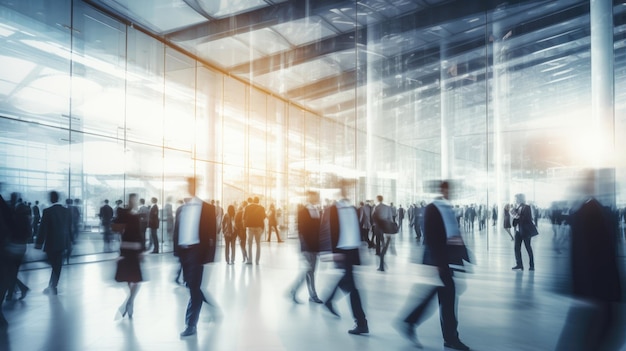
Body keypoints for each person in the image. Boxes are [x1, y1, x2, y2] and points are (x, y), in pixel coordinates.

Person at [395, 180, 470, 351]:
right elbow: (430, 236)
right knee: (447, 296)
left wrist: (461, 256)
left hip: (448, 259)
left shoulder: (447, 207)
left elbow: (453, 233)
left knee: (441, 295)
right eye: (450, 189)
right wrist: (437, 261)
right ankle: (450, 337)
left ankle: (411, 322)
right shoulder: (432, 208)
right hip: (440, 261)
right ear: (443, 190)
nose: (452, 192)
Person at [555, 169, 623, 351]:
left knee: (584, 337)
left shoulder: (591, 209)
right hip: (596, 290)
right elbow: (591, 254)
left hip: (593, 291)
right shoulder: (590, 211)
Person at [321, 179, 369, 335]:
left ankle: (328, 300)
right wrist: (335, 252)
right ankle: (361, 321)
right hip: (342, 251)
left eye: (348, 188)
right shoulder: (334, 209)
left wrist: (360, 248)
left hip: (351, 250)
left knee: (348, 281)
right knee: (353, 287)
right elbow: (331, 230)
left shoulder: (352, 208)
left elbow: (356, 229)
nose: (346, 190)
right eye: (344, 188)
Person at [174, 177, 218, 337]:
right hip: (184, 253)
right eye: (188, 184)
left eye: (192, 184)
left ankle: (190, 324)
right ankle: (213, 309)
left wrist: (210, 257)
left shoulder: (207, 208)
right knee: (192, 287)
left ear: (197, 186)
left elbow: (213, 234)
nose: (190, 187)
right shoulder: (181, 209)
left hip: (198, 253)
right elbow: (176, 233)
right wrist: (177, 255)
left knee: (193, 288)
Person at [112, 193, 144, 319]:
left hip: (133, 249)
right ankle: (130, 302)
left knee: (136, 280)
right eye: (133, 200)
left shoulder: (136, 216)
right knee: (130, 279)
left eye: (135, 200)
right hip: (127, 249)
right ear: (130, 201)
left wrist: (141, 250)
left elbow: (140, 234)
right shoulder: (123, 213)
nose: (134, 202)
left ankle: (129, 302)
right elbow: (116, 228)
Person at [35, 191, 73, 295]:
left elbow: (43, 228)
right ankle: (53, 286)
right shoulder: (66, 211)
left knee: (54, 263)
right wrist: (71, 240)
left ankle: (52, 286)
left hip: (51, 242)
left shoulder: (47, 211)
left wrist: (38, 243)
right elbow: (70, 227)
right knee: (57, 264)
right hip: (63, 242)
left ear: (51, 198)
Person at [289, 191, 323, 304]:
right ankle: (296, 291)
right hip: (307, 247)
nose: (317, 197)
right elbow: (302, 231)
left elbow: (318, 231)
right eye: (316, 196)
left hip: (315, 247)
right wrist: (305, 247)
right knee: (308, 271)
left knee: (311, 272)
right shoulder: (303, 211)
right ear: (310, 197)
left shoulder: (317, 211)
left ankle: (308, 294)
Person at [511, 193, 536, 271]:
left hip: (525, 231)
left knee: (528, 247)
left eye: (516, 198)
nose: (515, 200)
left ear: (519, 199)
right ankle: (519, 264)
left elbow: (527, 219)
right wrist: (514, 215)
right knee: (516, 248)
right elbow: (515, 222)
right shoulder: (516, 207)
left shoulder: (527, 207)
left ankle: (531, 265)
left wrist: (516, 215)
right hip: (518, 231)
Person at [372, 195, 395, 272]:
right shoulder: (387, 207)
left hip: (379, 226)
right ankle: (382, 262)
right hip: (386, 226)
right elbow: (391, 218)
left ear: (377, 199)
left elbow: (373, 217)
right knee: (385, 244)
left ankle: (378, 252)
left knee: (378, 239)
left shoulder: (376, 207)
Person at [244, 196, 265, 265]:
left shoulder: (247, 207)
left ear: (253, 201)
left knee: (249, 244)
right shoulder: (262, 208)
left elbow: (244, 217)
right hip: (258, 227)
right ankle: (257, 261)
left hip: (250, 227)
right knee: (258, 244)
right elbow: (264, 217)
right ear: (258, 201)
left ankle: (250, 260)